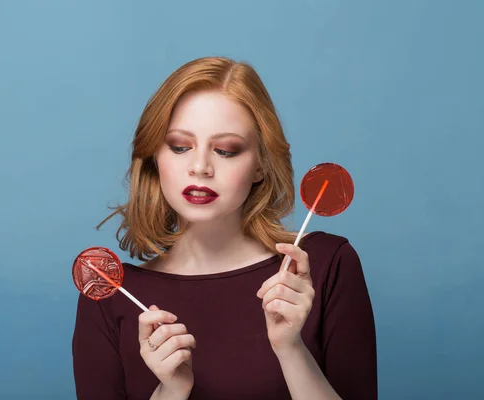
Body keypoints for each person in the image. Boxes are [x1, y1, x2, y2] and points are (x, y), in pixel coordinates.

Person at [72, 56, 377, 399]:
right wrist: (171, 390)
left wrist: (291, 349)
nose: (200, 166)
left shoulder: (324, 265)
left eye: (226, 150)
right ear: (155, 159)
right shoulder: (108, 293)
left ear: (261, 164)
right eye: (180, 146)